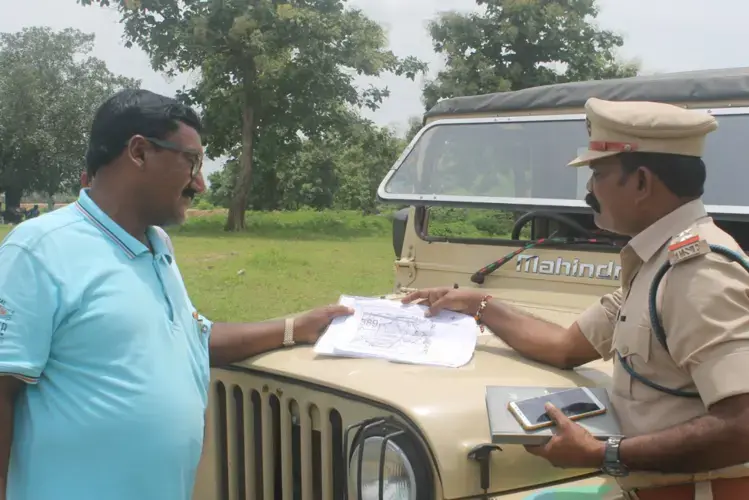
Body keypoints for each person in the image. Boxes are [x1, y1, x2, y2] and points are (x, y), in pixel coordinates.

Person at [0, 89, 353, 500]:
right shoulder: (41, 249)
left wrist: (296, 327)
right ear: (139, 152)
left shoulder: (157, 245)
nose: (200, 184)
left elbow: (192, 337)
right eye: (192, 162)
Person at [403, 98, 749, 500]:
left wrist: (604, 452)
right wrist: (477, 304)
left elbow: (742, 426)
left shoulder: (698, 272)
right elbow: (566, 346)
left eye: (598, 174)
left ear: (641, 183)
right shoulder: (656, 265)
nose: (589, 191)